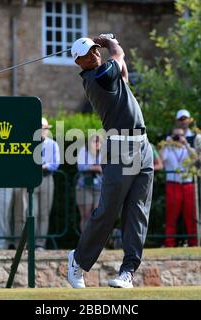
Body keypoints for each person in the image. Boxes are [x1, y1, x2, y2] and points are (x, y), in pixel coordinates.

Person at [67, 35, 154, 289]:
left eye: (95, 50)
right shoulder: (98, 77)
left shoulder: (109, 75)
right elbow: (119, 55)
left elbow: (124, 75)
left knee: (138, 212)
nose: (95, 54)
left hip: (143, 145)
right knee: (108, 210)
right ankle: (78, 261)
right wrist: (108, 41)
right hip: (120, 146)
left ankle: (128, 272)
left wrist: (105, 45)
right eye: (89, 53)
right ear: (78, 62)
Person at [13, 117, 60, 250]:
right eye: (41, 129)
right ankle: (25, 242)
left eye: (45, 129)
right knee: (28, 212)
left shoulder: (52, 144)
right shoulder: (29, 143)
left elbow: (56, 163)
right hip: (31, 180)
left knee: (44, 213)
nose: (43, 131)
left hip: (46, 178)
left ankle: (40, 244)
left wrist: (43, 166)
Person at [160, 127, 198, 247]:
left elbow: (196, 160)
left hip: (187, 185)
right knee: (171, 216)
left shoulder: (188, 149)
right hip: (173, 185)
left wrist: (186, 143)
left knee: (191, 216)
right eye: (176, 135)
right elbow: (160, 159)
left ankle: (194, 243)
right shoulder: (168, 149)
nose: (178, 137)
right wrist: (167, 143)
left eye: (181, 135)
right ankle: (169, 243)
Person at [76, 134, 103, 232]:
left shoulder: (103, 152)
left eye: (98, 141)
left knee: (98, 215)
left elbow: (106, 167)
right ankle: (85, 243)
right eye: (94, 141)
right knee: (86, 215)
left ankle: (97, 243)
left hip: (99, 187)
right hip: (84, 186)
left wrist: (91, 166)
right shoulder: (83, 151)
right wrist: (96, 167)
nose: (96, 144)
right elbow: (81, 167)